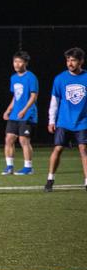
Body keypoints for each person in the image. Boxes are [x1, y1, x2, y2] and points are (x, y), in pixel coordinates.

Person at [45, 47, 87, 192]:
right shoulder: (60, 79)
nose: (70, 63)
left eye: (73, 60)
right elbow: (54, 101)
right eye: (68, 60)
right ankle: (50, 179)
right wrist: (51, 120)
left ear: (81, 61)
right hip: (64, 121)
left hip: (83, 121)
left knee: (83, 149)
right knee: (58, 148)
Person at [1, 51, 38, 175]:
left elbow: (33, 96)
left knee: (23, 140)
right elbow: (16, 96)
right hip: (15, 114)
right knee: (9, 139)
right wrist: (8, 110)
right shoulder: (13, 78)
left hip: (27, 114)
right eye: (15, 61)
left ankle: (28, 168)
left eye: (20, 62)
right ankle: (9, 167)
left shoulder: (31, 77)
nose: (17, 64)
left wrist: (24, 110)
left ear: (26, 63)